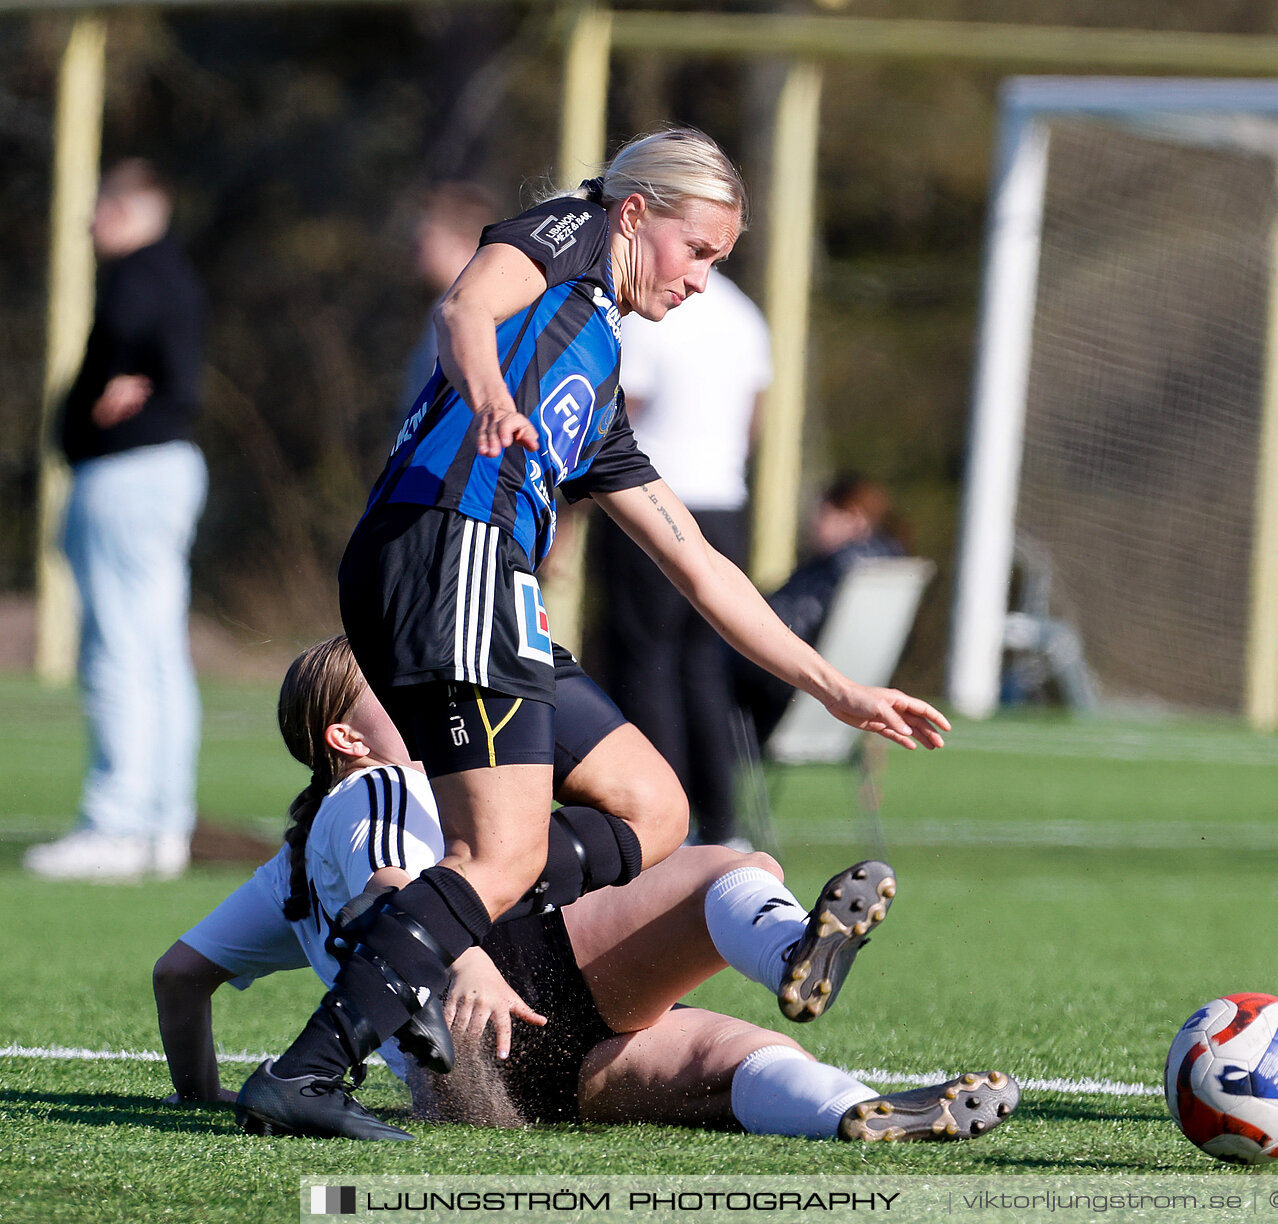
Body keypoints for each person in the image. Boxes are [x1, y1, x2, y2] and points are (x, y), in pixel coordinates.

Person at [236, 128, 950, 1140]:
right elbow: (465, 306)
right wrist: (487, 396)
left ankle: (472, 903)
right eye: (696, 251)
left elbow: (699, 565)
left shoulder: (597, 373)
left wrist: (837, 688)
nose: (703, 280)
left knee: (654, 806)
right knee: (500, 850)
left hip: (482, 575)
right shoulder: (566, 233)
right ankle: (309, 1073)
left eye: (720, 262)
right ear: (635, 215)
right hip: (453, 550)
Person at [157, 639, 1016, 1143]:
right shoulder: (377, 788)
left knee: (730, 1065)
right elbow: (393, 884)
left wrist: (201, 1097)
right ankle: (793, 948)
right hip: (509, 989)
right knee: (727, 867)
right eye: (389, 684)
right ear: (345, 735)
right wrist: (469, 963)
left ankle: (848, 1113)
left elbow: (179, 975)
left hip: (505, 1083)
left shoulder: (290, 867)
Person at [26, 159, 208, 883]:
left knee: (119, 649)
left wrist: (127, 368)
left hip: (129, 475)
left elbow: (135, 335)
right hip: (161, 473)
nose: (88, 226)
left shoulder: (139, 272)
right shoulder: (175, 273)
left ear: (125, 210)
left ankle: (118, 823)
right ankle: (163, 823)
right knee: (157, 649)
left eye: (97, 211)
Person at [597, 269, 770, 848]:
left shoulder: (652, 312)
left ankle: (666, 823)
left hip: (653, 499)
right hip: (724, 503)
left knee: (648, 662)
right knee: (703, 668)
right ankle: (721, 824)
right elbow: (754, 416)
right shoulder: (746, 314)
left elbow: (619, 411)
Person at [734, 473, 910, 745]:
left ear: (852, 517)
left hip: (778, 697)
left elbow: (777, 626)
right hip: (822, 700)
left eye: (823, 515)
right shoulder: (887, 570)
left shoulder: (835, 570)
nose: (815, 524)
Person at [397, 182, 499, 422]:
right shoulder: (447, 307)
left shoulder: (459, 313)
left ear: (460, 241)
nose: (416, 248)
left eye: (428, 236)